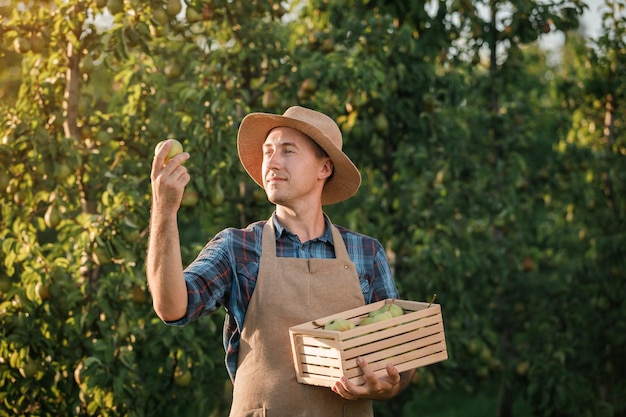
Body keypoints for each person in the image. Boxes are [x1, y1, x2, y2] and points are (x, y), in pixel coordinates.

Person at [147, 106, 415, 416]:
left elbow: (402, 355)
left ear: (324, 168)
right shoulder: (237, 246)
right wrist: (165, 211)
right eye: (267, 152)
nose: (271, 162)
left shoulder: (366, 253)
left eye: (287, 151)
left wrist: (389, 386)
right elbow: (172, 307)